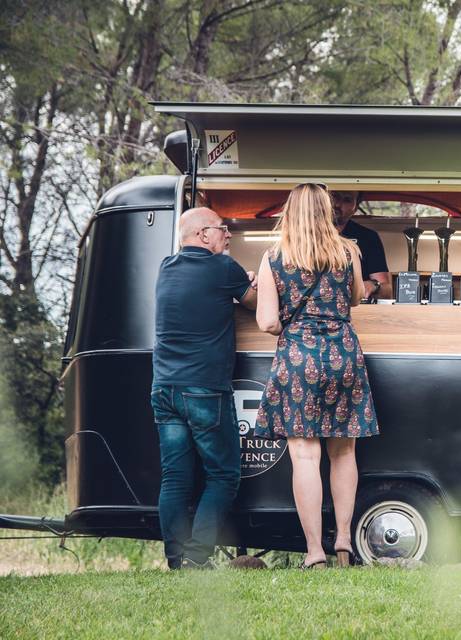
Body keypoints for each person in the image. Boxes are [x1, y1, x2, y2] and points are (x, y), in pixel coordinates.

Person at [254, 183, 379, 569]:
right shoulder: (349, 252)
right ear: (326, 211)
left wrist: (292, 325)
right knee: (343, 451)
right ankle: (343, 539)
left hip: (297, 357)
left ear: (290, 212)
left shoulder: (274, 257)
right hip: (343, 353)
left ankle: (314, 552)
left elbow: (267, 321)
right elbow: (357, 297)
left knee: (305, 456)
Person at [151, 207, 257, 569]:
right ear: (203, 235)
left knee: (176, 478)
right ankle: (198, 558)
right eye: (222, 229)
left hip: (164, 388)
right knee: (224, 475)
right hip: (204, 390)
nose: (227, 235)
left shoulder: (166, 268)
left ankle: (176, 560)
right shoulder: (222, 269)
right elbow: (258, 306)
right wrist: (251, 281)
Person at [331, 190, 393, 300]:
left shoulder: (368, 237)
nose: (337, 204)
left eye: (347, 200)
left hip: (355, 306)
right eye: (334, 196)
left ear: (355, 208)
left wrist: (374, 285)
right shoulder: (304, 235)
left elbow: (387, 290)